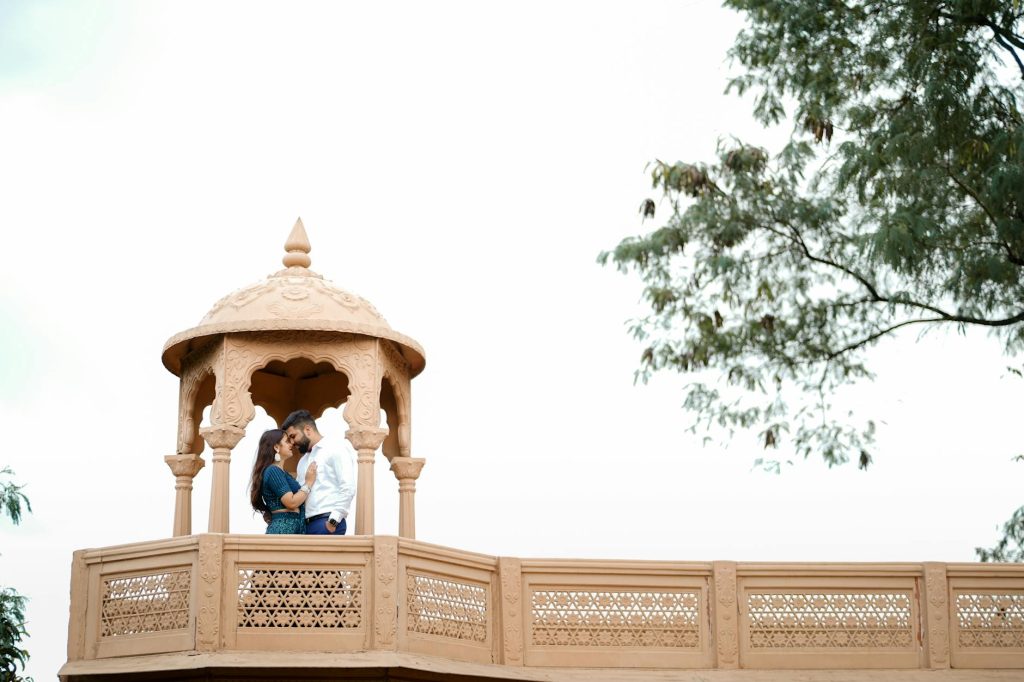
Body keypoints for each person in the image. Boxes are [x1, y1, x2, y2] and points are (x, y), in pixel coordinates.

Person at [281, 409, 357, 535]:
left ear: (308, 430)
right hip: (305, 525)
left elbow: (347, 487)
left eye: (293, 436)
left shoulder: (335, 448)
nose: (292, 443)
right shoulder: (303, 461)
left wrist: (333, 522)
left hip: (326, 523)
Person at [248, 428, 318, 534]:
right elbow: (291, 502)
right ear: (276, 447)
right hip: (283, 529)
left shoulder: (281, 472)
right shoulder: (273, 471)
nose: (291, 444)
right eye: (287, 441)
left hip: (291, 528)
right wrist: (308, 482)